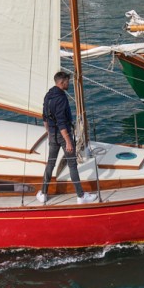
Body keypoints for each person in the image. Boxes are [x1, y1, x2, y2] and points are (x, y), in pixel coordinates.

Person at [35, 71, 96, 204]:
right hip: (63, 135)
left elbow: (45, 117)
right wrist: (68, 141)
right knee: (72, 165)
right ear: (62, 83)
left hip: (52, 134)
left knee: (50, 163)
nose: (69, 83)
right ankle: (81, 196)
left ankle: (43, 194)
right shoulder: (61, 98)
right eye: (67, 81)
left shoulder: (48, 95)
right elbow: (62, 123)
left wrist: (50, 133)